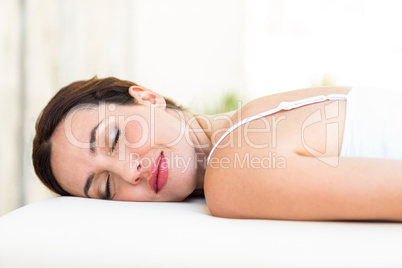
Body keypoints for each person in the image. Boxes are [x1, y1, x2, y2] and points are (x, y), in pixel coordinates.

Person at [32, 77, 402, 221]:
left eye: (113, 140)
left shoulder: (230, 170)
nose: (130, 172)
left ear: (147, 98)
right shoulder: (257, 116)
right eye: (108, 188)